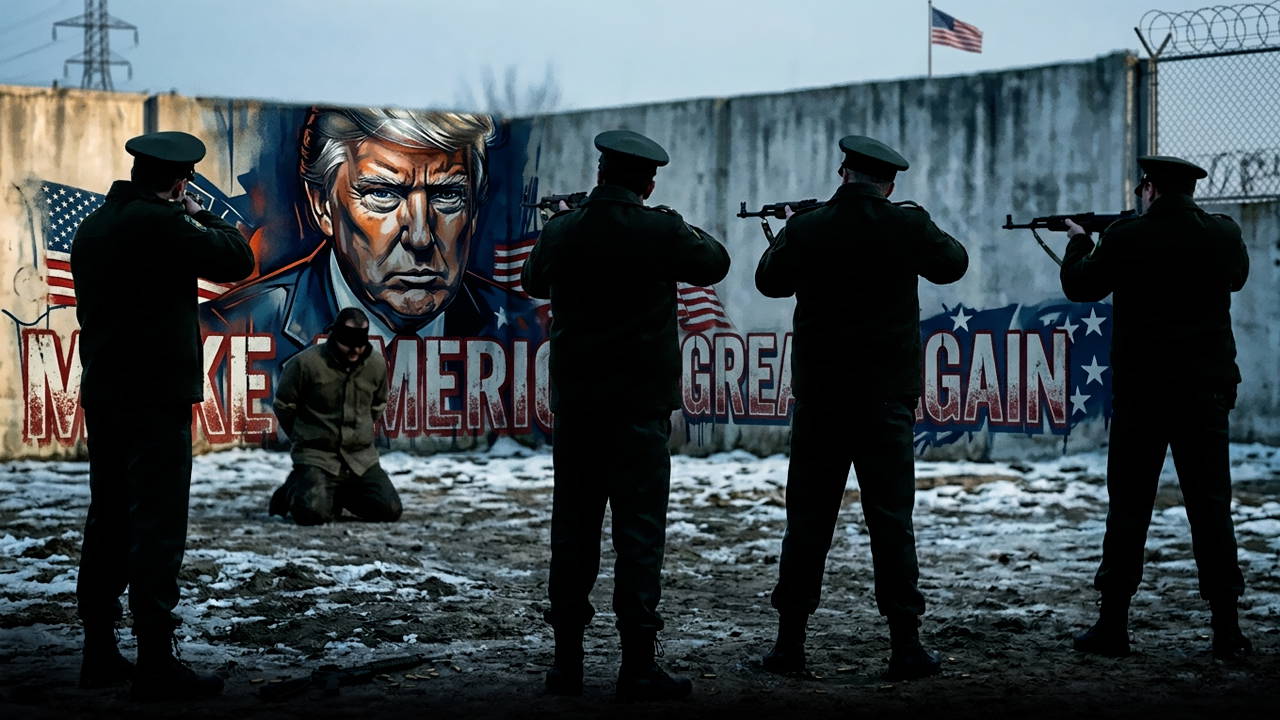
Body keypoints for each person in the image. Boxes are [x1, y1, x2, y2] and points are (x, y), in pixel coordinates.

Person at [522, 130, 730, 701]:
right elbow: (715, 263)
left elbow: (532, 280)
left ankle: (566, 665)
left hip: (581, 410)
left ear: (599, 172)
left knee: (573, 533)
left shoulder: (564, 230)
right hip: (638, 411)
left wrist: (563, 224)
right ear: (648, 181)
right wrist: (674, 222)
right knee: (638, 537)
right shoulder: (660, 229)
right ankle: (637, 665)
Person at [755, 135, 967, 680]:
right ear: (889, 183)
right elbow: (952, 265)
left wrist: (787, 231)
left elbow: (769, 281)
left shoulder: (808, 227)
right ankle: (905, 646)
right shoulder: (906, 224)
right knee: (891, 523)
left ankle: (790, 646)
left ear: (842, 172)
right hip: (884, 401)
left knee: (807, 523)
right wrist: (917, 219)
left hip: (822, 401)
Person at [71, 131, 255, 700]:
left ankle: (99, 651)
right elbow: (238, 259)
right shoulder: (162, 223)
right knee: (156, 523)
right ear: (180, 180)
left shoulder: (95, 225)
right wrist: (202, 216)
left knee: (108, 520)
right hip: (155, 396)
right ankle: (155, 660)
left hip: (107, 392)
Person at [1060, 155, 1251, 659]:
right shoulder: (1222, 234)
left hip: (1144, 393)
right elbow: (1236, 277)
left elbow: (1081, 285)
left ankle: (1113, 625)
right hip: (1205, 391)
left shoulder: (1126, 237)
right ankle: (1227, 627)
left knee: (1128, 507)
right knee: (1211, 508)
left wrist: (1080, 239)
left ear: (1149, 189)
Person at [200, 108, 538, 377]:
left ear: (474, 208)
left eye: (447, 194)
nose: (420, 237)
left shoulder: (527, 326)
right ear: (323, 206)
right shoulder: (227, 328)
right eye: (382, 194)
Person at [268, 306, 402, 525]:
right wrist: (303, 437)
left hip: (360, 458)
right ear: (335, 335)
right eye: (348, 343)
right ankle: (292, 489)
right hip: (317, 456)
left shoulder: (376, 364)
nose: (355, 351)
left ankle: (332, 493)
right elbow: (284, 406)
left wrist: (359, 432)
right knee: (312, 515)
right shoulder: (305, 364)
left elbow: (378, 404)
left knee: (389, 510)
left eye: (360, 345)